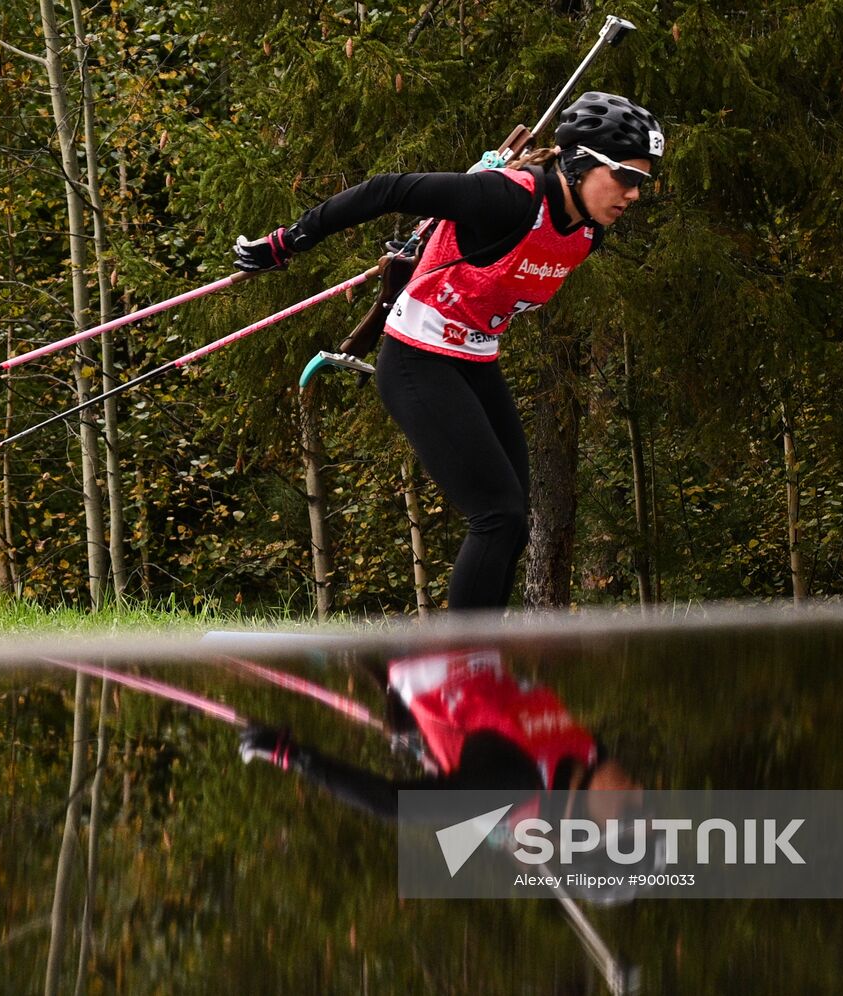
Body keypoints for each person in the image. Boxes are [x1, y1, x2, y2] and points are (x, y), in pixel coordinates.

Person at [233, 93, 665, 610]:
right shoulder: (507, 198)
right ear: (579, 162)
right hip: (417, 360)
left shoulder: (588, 232)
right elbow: (387, 190)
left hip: (475, 361)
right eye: (625, 176)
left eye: (643, 181)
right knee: (497, 515)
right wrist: (287, 242)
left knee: (513, 524)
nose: (634, 193)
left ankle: (481, 655)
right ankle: (461, 655)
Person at [237, 647, 640, 825]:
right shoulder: (589, 753)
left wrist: (292, 755)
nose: (639, 793)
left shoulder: (511, 788)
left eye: (628, 812)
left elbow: (391, 805)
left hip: (421, 655)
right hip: (468, 642)